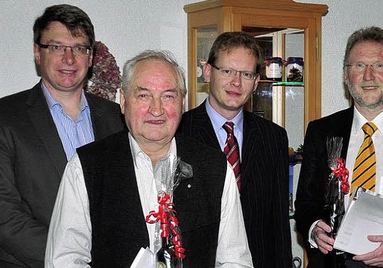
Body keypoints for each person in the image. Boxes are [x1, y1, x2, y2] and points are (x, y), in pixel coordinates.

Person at [45, 50, 253, 267]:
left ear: (182, 103)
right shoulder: (87, 168)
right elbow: (65, 259)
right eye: (144, 95)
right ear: (124, 101)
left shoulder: (215, 168)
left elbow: (235, 260)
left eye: (168, 96)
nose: (157, 109)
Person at [0, 5, 125, 267]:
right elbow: (2, 216)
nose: (69, 59)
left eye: (79, 48)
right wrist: (72, 260)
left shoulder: (117, 118)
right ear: (37, 52)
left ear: (91, 57)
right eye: (57, 47)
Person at [294, 26, 383, 268]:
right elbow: (306, 203)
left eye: (379, 66)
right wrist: (314, 229)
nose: (368, 76)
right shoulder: (321, 131)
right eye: (358, 66)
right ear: (346, 76)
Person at [178, 32, 291, 267]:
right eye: (227, 71)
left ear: (257, 81)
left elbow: (279, 224)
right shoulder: (179, 132)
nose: (236, 83)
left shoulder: (273, 137)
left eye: (246, 74)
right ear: (208, 72)